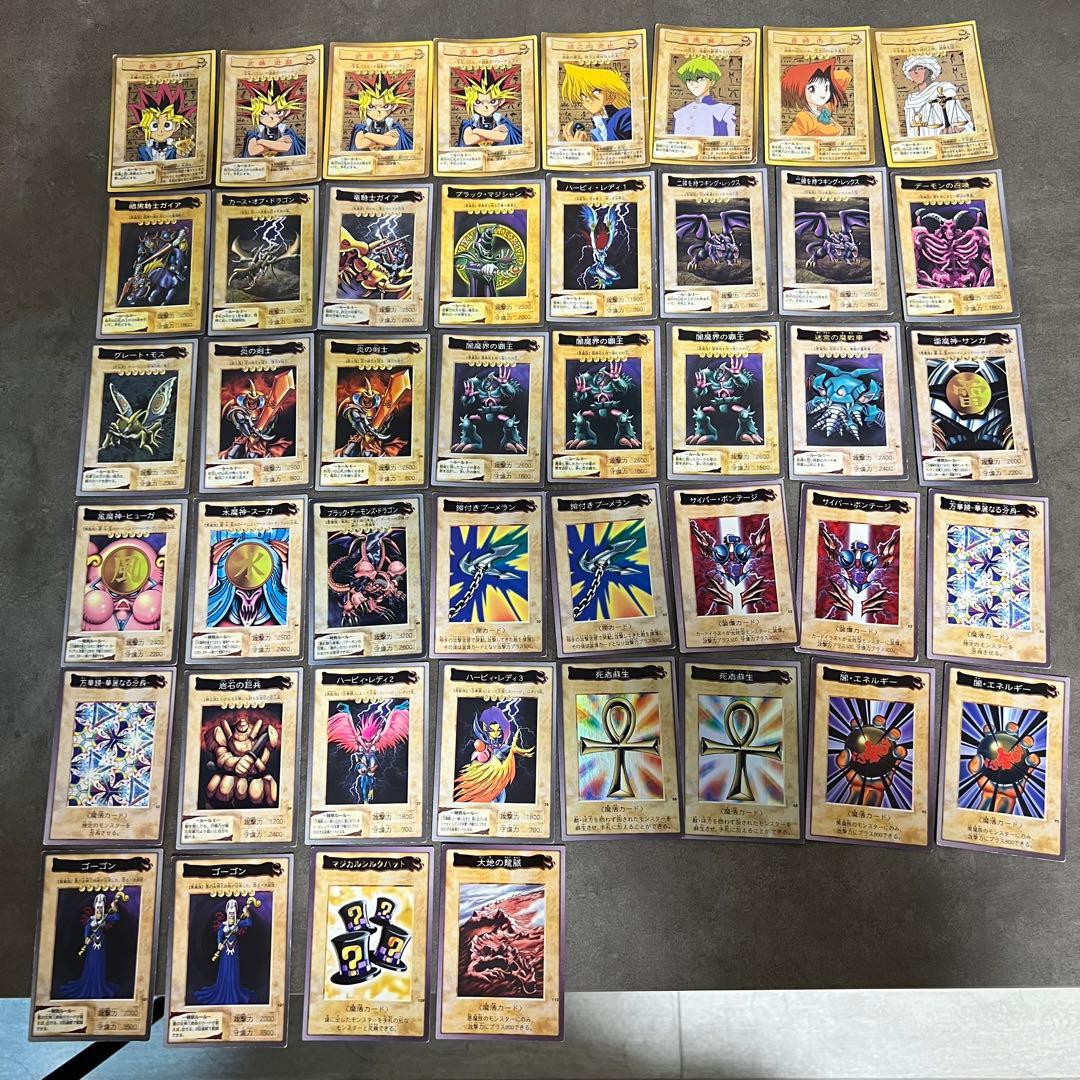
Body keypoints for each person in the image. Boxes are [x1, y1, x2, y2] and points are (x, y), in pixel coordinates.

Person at [902, 55, 974, 137]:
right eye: (911, 70)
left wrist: (955, 132)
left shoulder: (944, 90)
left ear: (930, 71)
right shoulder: (910, 100)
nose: (915, 72)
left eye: (919, 68)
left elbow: (961, 122)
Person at [560, 63, 633, 142]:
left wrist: (579, 146)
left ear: (611, 95)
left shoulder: (624, 116)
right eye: (582, 95)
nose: (586, 99)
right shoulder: (601, 124)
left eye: (595, 91)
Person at [780, 59, 851, 137]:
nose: (822, 93)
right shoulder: (804, 118)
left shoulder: (827, 106)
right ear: (799, 91)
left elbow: (845, 76)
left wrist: (823, 75)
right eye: (812, 89)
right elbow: (790, 139)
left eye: (826, 87)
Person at [672, 56, 736, 136]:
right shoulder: (679, 114)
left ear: (712, 82)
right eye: (689, 80)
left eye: (700, 79)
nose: (694, 84)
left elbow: (730, 141)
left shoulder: (724, 111)